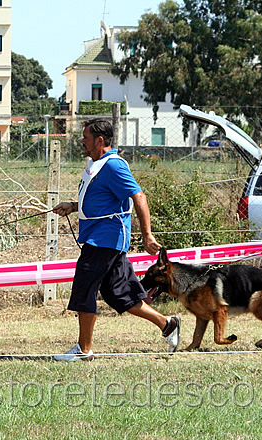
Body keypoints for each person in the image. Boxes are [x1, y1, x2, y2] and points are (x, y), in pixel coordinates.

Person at [52, 118, 180, 361]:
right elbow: (101, 200)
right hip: (103, 239)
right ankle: (167, 324)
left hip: (105, 240)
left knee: (84, 287)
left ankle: (84, 350)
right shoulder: (95, 165)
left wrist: (147, 235)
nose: (82, 141)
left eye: (86, 138)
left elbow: (138, 197)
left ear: (100, 141)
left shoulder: (114, 166)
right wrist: (73, 206)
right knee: (120, 294)